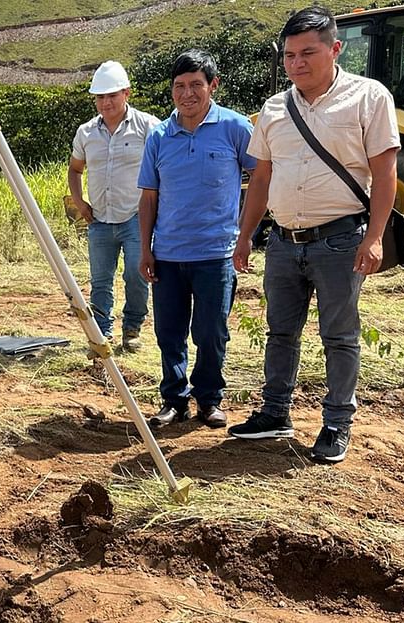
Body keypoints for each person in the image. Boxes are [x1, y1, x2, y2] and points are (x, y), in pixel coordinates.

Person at [230, 7, 399, 463]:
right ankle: (274, 413)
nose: (296, 63)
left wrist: (375, 237)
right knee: (280, 332)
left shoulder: (368, 98)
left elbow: (385, 175)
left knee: (339, 336)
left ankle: (336, 423)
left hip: (340, 241)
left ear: (335, 49)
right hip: (283, 242)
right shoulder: (273, 109)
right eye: (289, 55)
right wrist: (246, 236)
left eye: (307, 53)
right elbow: (261, 179)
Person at [138, 50, 256, 430]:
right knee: (168, 332)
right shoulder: (159, 135)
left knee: (210, 331)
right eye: (179, 86)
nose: (187, 94)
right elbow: (149, 197)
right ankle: (174, 400)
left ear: (213, 86)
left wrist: (246, 235)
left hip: (216, 254)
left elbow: (261, 180)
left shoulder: (236, 128)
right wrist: (146, 249)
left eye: (195, 85)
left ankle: (209, 398)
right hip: (168, 254)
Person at [68, 61, 159, 352]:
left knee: (136, 273)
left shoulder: (148, 126)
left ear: (126, 93)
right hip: (100, 220)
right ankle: (101, 333)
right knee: (100, 280)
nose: (106, 102)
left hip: (136, 217)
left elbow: (163, 168)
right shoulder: (86, 133)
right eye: (100, 97)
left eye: (112, 95)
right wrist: (80, 201)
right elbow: (75, 169)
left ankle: (132, 328)